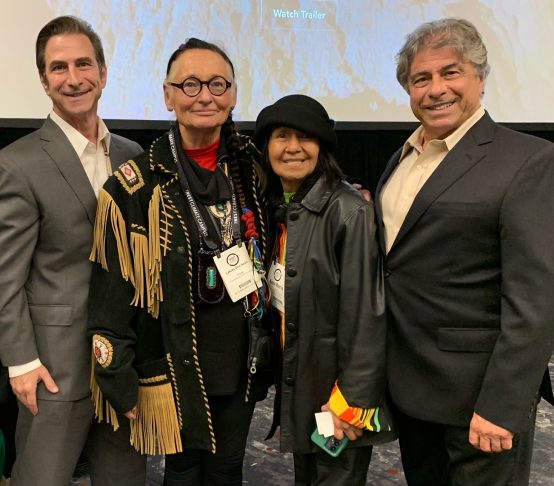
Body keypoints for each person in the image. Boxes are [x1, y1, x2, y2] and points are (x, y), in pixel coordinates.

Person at [375, 18, 554, 486]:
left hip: (479, 402)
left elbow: (539, 300)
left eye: (451, 72)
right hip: (410, 387)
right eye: (421, 78)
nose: (436, 89)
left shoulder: (531, 161)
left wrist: (503, 406)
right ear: (407, 87)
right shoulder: (402, 157)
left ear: (480, 79)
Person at [87, 38, 272, 485]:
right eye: (189, 84)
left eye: (217, 84)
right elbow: (111, 291)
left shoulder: (254, 168)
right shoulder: (134, 187)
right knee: (184, 470)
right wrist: (114, 373)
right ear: (168, 95)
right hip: (174, 359)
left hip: (242, 355)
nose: (204, 95)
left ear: (233, 94)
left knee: (229, 468)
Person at [0, 15, 147, 486]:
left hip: (124, 364)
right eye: (59, 67)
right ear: (44, 81)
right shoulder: (17, 163)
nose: (74, 78)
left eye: (84, 64)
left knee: (124, 479)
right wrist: (21, 361)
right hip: (54, 366)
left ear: (103, 73)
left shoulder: (132, 155)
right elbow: (6, 276)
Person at [253, 94, 390, 485]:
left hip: (339, 393)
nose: (292, 147)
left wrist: (351, 402)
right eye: (281, 136)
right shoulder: (284, 210)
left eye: (305, 137)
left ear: (322, 148)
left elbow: (368, 315)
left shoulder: (348, 212)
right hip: (304, 381)